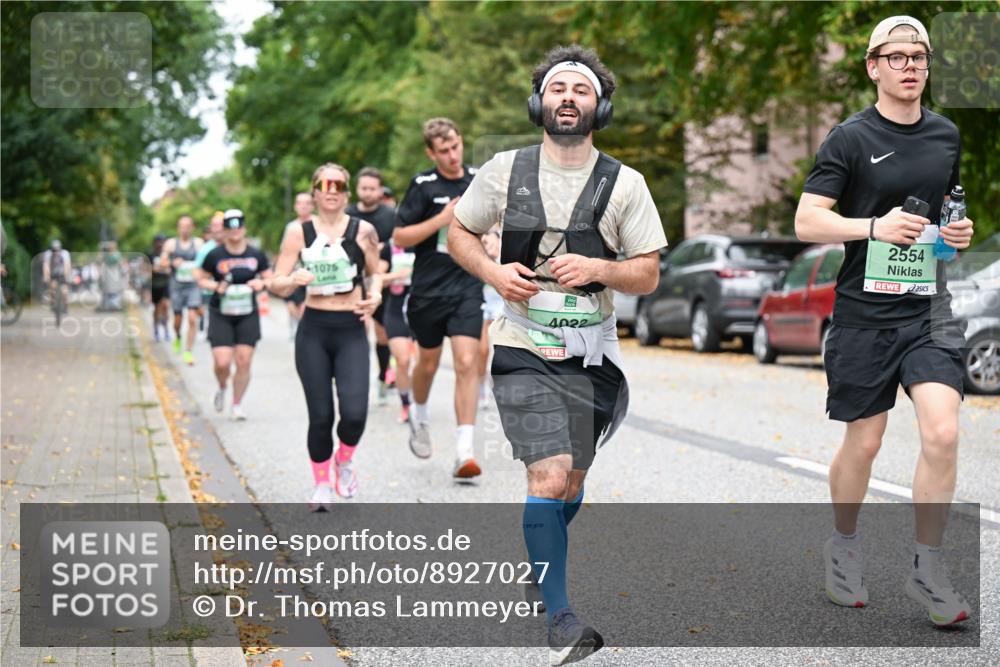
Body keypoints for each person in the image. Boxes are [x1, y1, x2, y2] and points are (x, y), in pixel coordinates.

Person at [449, 46, 665, 665]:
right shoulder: (504, 170)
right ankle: (561, 621)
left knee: (572, 480)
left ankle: (541, 567)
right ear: (538, 102)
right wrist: (494, 273)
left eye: (581, 89)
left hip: (592, 351)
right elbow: (459, 232)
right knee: (548, 472)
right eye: (557, 88)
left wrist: (600, 268)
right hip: (522, 343)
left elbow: (647, 273)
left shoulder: (625, 184)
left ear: (601, 106)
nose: (568, 97)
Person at [795, 16, 974, 626]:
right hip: (864, 316)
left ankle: (929, 568)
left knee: (943, 433)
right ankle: (844, 545)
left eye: (918, 56)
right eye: (896, 57)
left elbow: (947, 212)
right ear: (873, 67)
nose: (909, 66)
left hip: (928, 311)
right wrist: (873, 226)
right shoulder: (849, 138)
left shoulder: (945, 134)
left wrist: (955, 233)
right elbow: (807, 221)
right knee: (865, 442)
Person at [271, 164, 382, 511]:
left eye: (339, 185)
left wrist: (375, 296)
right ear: (315, 192)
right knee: (320, 416)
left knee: (355, 413)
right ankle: (321, 484)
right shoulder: (298, 232)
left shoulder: (364, 231)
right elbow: (275, 281)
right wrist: (292, 280)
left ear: (347, 193)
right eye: (324, 184)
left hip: (351, 328)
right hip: (314, 330)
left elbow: (375, 273)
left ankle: (343, 460)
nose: (331, 190)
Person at [393, 118, 483, 478]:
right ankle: (419, 416)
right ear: (431, 153)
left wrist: (493, 238)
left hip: (467, 286)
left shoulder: (477, 180)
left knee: (467, 361)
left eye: (456, 146)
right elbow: (400, 237)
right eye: (444, 151)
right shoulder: (423, 185)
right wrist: (442, 219)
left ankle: (465, 451)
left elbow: (497, 220)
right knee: (428, 364)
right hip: (428, 290)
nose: (452, 155)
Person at [194, 209, 274, 421]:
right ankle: (222, 386)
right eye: (230, 227)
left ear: (244, 229)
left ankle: (237, 404)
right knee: (222, 362)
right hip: (221, 312)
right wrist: (215, 286)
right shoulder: (215, 254)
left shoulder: (256, 254)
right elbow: (200, 278)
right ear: (224, 230)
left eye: (239, 226)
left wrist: (262, 283)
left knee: (244, 361)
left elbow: (271, 279)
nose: (235, 231)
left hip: (247, 313)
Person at [347, 167, 398, 404]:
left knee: (382, 334)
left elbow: (399, 244)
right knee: (357, 330)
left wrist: (380, 252)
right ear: (357, 189)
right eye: (364, 188)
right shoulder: (348, 214)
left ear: (379, 191)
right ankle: (354, 379)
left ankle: (383, 377)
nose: (368, 192)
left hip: (383, 281)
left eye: (372, 188)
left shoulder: (391, 215)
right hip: (352, 281)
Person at [377, 236, 416, 423]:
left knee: (423, 363)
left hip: (422, 309)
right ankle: (406, 403)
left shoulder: (427, 243)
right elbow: (377, 278)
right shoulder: (391, 246)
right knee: (403, 360)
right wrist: (397, 275)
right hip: (395, 309)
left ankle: (419, 401)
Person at [160, 215, 204, 365]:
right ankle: (178, 336)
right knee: (177, 320)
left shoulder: (198, 243)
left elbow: (206, 260)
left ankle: (188, 352)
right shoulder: (171, 244)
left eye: (188, 226)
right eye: (182, 226)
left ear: (192, 228)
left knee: (192, 318)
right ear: (178, 228)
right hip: (177, 285)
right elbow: (162, 262)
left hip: (193, 285)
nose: (185, 229)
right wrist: (172, 262)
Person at [282, 194, 313, 340]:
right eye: (300, 203)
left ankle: (305, 330)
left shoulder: (318, 224)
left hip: (313, 274)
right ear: (295, 206)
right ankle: (297, 327)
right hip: (295, 273)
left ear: (312, 205)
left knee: (305, 308)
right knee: (291, 305)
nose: (303, 206)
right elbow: (285, 253)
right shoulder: (291, 227)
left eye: (307, 203)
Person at [478, 226, 503, 408]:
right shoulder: (482, 234)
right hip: (484, 298)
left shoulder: (509, 234)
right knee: (482, 350)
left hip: (502, 299)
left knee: (501, 350)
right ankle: (482, 388)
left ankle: (498, 386)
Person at [194, 211, 226, 338]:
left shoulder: (234, 245)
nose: (218, 229)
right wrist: (212, 283)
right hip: (210, 294)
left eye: (220, 225)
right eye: (214, 225)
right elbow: (197, 273)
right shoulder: (205, 249)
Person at [147, 234, 172, 341]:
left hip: (166, 284)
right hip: (155, 285)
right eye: (158, 241)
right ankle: (156, 329)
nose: (160, 244)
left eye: (162, 242)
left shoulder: (169, 254)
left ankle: (166, 330)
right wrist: (153, 269)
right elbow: (145, 269)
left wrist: (168, 270)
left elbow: (172, 268)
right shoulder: (150, 254)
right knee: (157, 309)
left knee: (165, 306)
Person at [41, 239, 71, 314]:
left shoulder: (65, 253)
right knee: (52, 288)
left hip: (62, 273)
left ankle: (65, 306)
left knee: (64, 291)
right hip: (53, 273)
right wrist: (46, 276)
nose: (56, 252)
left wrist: (66, 276)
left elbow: (67, 265)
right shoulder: (48, 254)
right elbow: (46, 266)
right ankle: (53, 303)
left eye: (57, 250)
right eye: (54, 250)